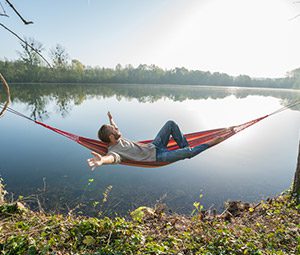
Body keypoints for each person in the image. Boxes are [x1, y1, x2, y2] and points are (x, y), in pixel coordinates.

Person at [87, 112, 231, 170]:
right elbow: (112, 158)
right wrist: (101, 161)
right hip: (156, 157)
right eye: (114, 130)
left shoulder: (116, 138)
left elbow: (115, 128)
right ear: (111, 137)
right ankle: (215, 140)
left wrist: (111, 120)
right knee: (189, 153)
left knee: (170, 124)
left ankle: (183, 146)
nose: (118, 130)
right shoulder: (114, 151)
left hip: (154, 146)